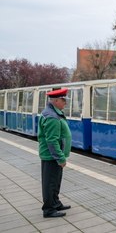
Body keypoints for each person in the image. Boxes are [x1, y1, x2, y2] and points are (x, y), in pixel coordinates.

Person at [38, 88, 72, 218]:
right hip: (52, 156)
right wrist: (60, 158)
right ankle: (49, 209)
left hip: (53, 156)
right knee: (50, 182)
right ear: (56, 100)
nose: (65, 103)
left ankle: (55, 203)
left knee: (55, 181)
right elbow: (52, 140)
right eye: (64, 100)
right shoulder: (52, 117)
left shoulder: (54, 112)